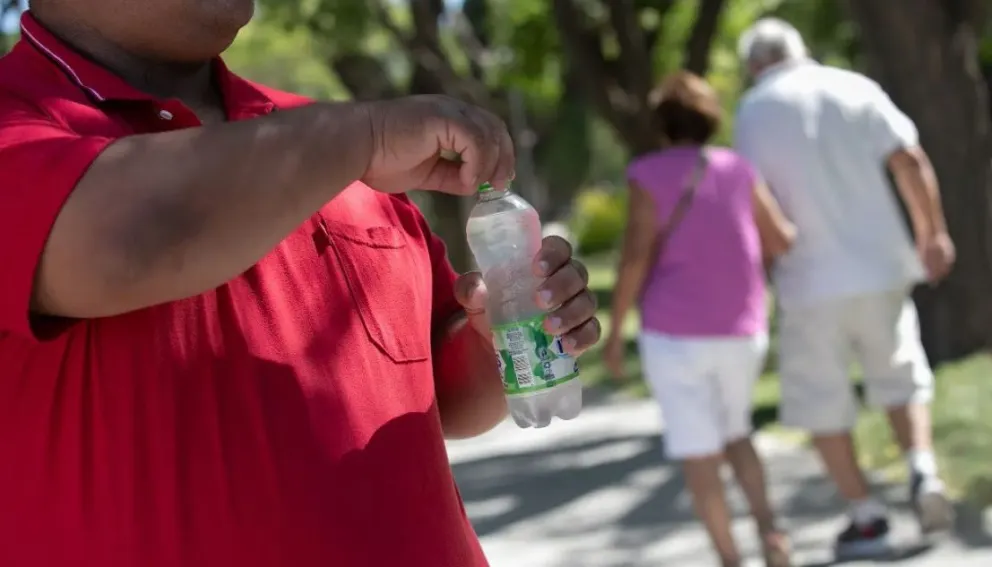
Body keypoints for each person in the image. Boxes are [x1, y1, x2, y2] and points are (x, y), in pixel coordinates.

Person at [0, 4, 602, 567]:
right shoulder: (347, 142)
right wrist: (361, 138)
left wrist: (501, 337)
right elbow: (125, 241)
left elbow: (443, 395)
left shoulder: (322, 139)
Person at [734, 18, 957, 560]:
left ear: (754, 66)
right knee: (902, 374)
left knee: (821, 403)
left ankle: (866, 515)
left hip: (809, 279)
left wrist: (758, 273)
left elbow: (755, 201)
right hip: (882, 265)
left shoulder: (755, 111)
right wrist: (933, 233)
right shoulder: (855, 87)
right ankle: (922, 472)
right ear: (800, 48)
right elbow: (909, 159)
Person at [604, 71, 797, 567]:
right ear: (710, 119)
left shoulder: (647, 175)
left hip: (674, 334)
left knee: (699, 451)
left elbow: (635, 256)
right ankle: (772, 534)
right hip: (742, 329)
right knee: (737, 434)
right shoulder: (738, 169)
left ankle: (731, 559)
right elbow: (780, 239)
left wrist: (615, 331)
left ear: (662, 123)